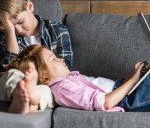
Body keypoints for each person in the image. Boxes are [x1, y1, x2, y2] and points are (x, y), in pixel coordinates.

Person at [5, 44, 150, 114]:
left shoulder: (68, 79)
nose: (61, 59)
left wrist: (133, 76)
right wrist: (133, 80)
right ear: (44, 75)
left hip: (124, 91)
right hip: (125, 101)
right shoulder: (63, 88)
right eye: (53, 59)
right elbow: (105, 103)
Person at [0, 0, 73, 72]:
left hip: (54, 82)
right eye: (11, 27)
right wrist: (10, 33)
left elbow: (67, 68)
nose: (18, 30)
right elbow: (9, 74)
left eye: (20, 22)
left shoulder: (57, 30)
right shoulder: (6, 36)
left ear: (30, 6)